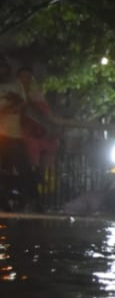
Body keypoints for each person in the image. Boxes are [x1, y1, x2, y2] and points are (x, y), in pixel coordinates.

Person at [17, 67, 60, 203]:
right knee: (32, 148)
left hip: (40, 134)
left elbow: (47, 116)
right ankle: (34, 180)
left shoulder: (37, 96)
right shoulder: (14, 93)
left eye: (29, 77)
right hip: (22, 135)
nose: (26, 80)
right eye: (23, 77)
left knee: (49, 147)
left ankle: (42, 183)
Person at [0, 59, 31, 203]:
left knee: (22, 168)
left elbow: (22, 103)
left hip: (14, 134)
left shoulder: (16, 85)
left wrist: (11, 108)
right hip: (3, 133)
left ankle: (25, 198)